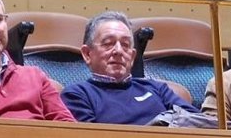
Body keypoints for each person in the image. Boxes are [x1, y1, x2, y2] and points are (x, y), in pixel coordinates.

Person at [61, 11, 199, 124]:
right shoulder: (76, 95)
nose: (118, 51)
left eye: (125, 45)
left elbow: (198, 125)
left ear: (132, 56)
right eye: (108, 43)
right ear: (87, 54)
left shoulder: (158, 89)